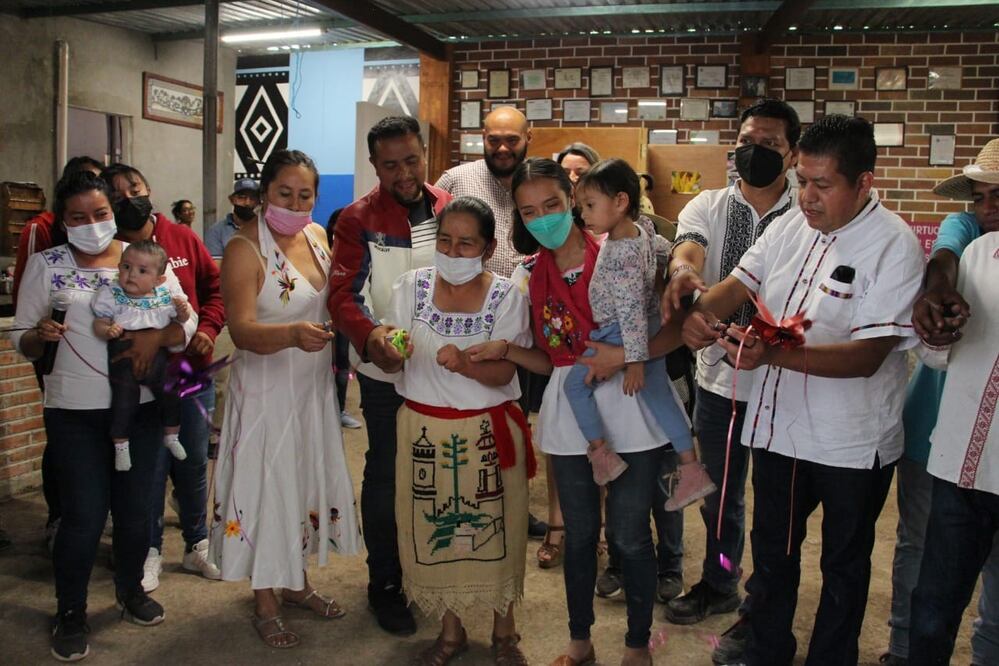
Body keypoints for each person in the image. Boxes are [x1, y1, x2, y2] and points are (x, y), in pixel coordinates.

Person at [681, 115, 924, 665]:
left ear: (864, 182)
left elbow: (868, 357)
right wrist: (699, 317)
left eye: (823, 185)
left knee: (842, 565)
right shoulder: (789, 227)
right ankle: (766, 650)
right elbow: (737, 284)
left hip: (850, 444)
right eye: (803, 180)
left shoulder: (893, 244)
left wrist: (776, 355)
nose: (807, 197)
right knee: (774, 554)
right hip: (780, 430)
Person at [470, 157, 686, 666]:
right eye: (528, 212)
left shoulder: (624, 246)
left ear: (573, 199)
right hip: (574, 413)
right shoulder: (532, 277)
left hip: (634, 404)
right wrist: (508, 350)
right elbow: (553, 361)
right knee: (581, 536)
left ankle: (637, 645)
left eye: (551, 204)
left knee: (631, 535)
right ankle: (579, 642)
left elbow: (676, 326)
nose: (542, 217)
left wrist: (626, 355)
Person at [11, 171, 197, 661]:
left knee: (138, 513)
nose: (91, 225)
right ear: (61, 221)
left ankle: (131, 591)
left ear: (113, 213)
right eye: (78, 217)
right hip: (74, 413)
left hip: (140, 410)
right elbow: (22, 336)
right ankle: (70, 611)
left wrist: (161, 336)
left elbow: (187, 319)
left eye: (100, 214)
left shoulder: (144, 257)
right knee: (84, 517)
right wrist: (40, 336)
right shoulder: (46, 265)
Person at [661, 99, 800, 656]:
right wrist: (684, 271)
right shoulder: (710, 203)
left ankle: (760, 603)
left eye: (770, 144)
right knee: (719, 498)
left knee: (773, 503)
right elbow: (688, 248)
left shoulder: (805, 212)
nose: (755, 152)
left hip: (783, 384)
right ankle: (720, 578)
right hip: (718, 380)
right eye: (747, 140)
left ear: (792, 153)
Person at [210, 149, 360, 649]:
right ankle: (265, 600)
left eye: (305, 194)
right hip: (267, 394)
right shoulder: (243, 249)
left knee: (301, 484)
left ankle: (295, 582)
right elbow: (242, 329)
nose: (295, 203)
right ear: (263, 192)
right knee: (268, 487)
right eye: (284, 193)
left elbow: (334, 298)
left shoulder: (318, 237)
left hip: (311, 390)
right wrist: (293, 334)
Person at [381, 196, 534, 666]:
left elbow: (506, 375)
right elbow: (389, 354)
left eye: (466, 243)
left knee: (497, 534)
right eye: (445, 240)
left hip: (486, 434)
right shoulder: (411, 288)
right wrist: (388, 346)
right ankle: (450, 633)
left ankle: (505, 633)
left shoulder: (508, 296)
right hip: (424, 431)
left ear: (488, 249)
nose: (453, 251)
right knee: (434, 535)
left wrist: (467, 364)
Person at [328, 116, 450, 636]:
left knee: (444, 473)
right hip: (385, 375)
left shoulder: (448, 208)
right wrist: (372, 337)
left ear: (424, 154)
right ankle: (385, 584)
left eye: (412, 160)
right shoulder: (357, 219)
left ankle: (436, 571)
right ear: (375, 165)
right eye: (391, 164)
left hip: (447, 371)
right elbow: (342, 295)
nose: (404, 172)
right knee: (386, 477)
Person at [884, 138, 999, 666]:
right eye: (981, 196)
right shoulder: (972, 246)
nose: (987, 208)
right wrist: (937, 306)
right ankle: (904, 652)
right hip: (948, 445)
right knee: (927, 569)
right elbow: (943, 261)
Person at [101, 163, 225, 591]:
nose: (127, 198)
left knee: (191, 460)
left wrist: (207, 330)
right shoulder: (110, 251)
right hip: (133, 380)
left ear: (148, 188)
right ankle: (149, 550)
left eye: (133, 188)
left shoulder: (183, 239)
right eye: (116, 195)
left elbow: (214, 292)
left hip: (187, 369)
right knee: (147, 470)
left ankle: (197, 544)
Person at [564, 158, 713, 505]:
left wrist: (634, 360)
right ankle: (691, 468)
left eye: (589, 206)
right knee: (661, 399)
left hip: (622, 332)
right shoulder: (641, 228)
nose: (583, 215)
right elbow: (663, 250)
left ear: (619, 202)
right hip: (648, 324)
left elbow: (629, 308)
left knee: (575, 386)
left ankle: (601, 455)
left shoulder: (620, 251)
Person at [907, 236, 999, 662]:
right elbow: (937, 357)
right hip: (961, 466)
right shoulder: (979, 255)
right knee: (932, 611)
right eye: (982, 196)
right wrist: (936, 333)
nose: (989, 206)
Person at [92, 240, 191, 471]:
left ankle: (172, 435)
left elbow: (182, 322)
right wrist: (107, 331)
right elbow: (99, 322)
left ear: (159, 280)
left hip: (158, 357)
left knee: (171, 392)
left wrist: (183, 312)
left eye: (142, 271)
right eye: (126, 267)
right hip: (123, 355)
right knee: (124, 399)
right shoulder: (111, 294)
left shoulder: (165, 296)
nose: (131, 275)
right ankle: (121, 444)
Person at [435, 106, 531, 279]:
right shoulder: (454, 180)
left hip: (529, 299)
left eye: (512, 140)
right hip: (464, 298)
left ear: (528, 137)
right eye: (494, 140)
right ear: (483, 137)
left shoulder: (540, 185)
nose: (502, 148)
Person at [324, 207, 362, 430]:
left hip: (342, 320)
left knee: (342, 366)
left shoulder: (354, 251)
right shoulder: (320, 248)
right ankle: (323, 410)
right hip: (321, 319)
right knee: (321, 367)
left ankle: (339, 411)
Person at [204, 178, 260, 260]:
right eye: (242, 197)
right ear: (232, 200)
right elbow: (216, 266)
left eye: (252, 198)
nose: (247, 203)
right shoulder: (216, 232)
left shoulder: (265, 229)